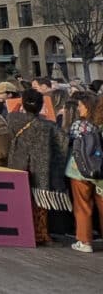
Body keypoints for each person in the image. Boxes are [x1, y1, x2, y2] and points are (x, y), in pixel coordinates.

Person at [7, 88, 71, 246]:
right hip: (41, 167)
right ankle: (41, 234)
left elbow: (13, 114)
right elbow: (63, 144)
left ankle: (23, 231)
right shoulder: (48, 125)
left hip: (18, 165)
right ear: (41, 105)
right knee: (40, 205)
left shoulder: (12, 119)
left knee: (21, 201)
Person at [66, 91, 103, 253]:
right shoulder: (99, 125)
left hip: (80, 170)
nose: (78, 109)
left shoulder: (79, 125)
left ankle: (84, 240)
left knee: (82, 205)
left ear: (87, 107)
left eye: (80, 106)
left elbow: (71, 142)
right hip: (100, 169)